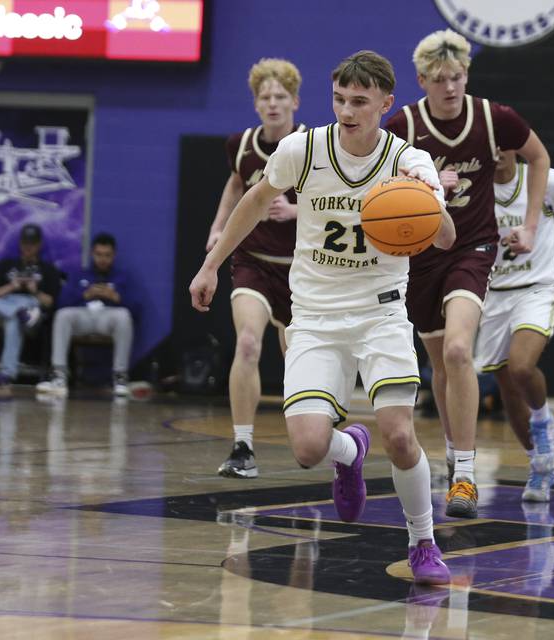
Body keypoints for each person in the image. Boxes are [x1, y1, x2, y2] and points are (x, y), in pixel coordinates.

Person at [189, 50, 456, 584]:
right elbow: (253, 198)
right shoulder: (303, 149)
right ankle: (348, 449)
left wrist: (426, 203)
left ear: (386, 103)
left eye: (359, 101)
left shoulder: (409, 161)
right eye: (339, 99)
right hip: (313, 314)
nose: (347, 110)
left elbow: (447, 239)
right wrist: (211, 264)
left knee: (400, 435)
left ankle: (423, 543)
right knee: (309, 448)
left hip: (380, 313)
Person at [385, 29, 551, 518]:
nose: (450, 87)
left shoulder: (493, 117)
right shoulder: (403, 125)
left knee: (460, 350)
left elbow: (538, 157)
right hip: (419, 255)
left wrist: (531, 223)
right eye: (439, 80)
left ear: (466, 75)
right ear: (422, 81)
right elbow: (376, 183)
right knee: (440, 364)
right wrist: (420, 183)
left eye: (456, 77)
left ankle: (465, 475)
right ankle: (454, 455)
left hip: (473, 248)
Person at [205, 58, 305, 480]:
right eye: (265, 97)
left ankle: (316, 437)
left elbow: (335, 200)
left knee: (298, 359)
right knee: (247, 342)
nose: (273, 103)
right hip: (254, 262)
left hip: (302, 269)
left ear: (295, 101)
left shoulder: (310, 144)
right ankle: (243, 446)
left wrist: (294, 209)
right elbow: (235, 183)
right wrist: (217, 227)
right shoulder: (242, 144)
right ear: (256, 104)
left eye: (280, 96)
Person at [475, 153, 554, 502]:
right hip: (493, 294)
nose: (494, 155)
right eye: (489, 146)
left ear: (515, 146)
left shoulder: (544, 179)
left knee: (521, 366)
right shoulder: (474, 188)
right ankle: (539, 468)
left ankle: (543, 420)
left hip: (538, 287)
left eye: (502, 146)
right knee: (507, 386)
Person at [36, 233, 134, 398]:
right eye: (99, 255)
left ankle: (120, 376)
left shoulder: (122, 277)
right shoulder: (80, 274)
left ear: (114, 255)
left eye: (107, 255)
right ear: (92, 254)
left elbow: (136, 309)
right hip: (84, 316)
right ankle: (59, 375)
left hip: (108, 318)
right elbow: (61, 302)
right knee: (63, 315)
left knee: (124, 316)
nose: (103, 259)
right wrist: (85, 295)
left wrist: (115, 297)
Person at [0, 224, 61, 398]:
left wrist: (35, 290)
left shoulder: (48, 269)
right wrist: (12, 286)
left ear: (39, 245)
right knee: (16, 316)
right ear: (20, 243)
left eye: (32, 243)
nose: (28, 247)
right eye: (25, 243)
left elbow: (49, 302)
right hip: (6, 305)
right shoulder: (6, 265)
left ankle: (6, 375)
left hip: (32, 305)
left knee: (14, 323)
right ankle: (18, 311)